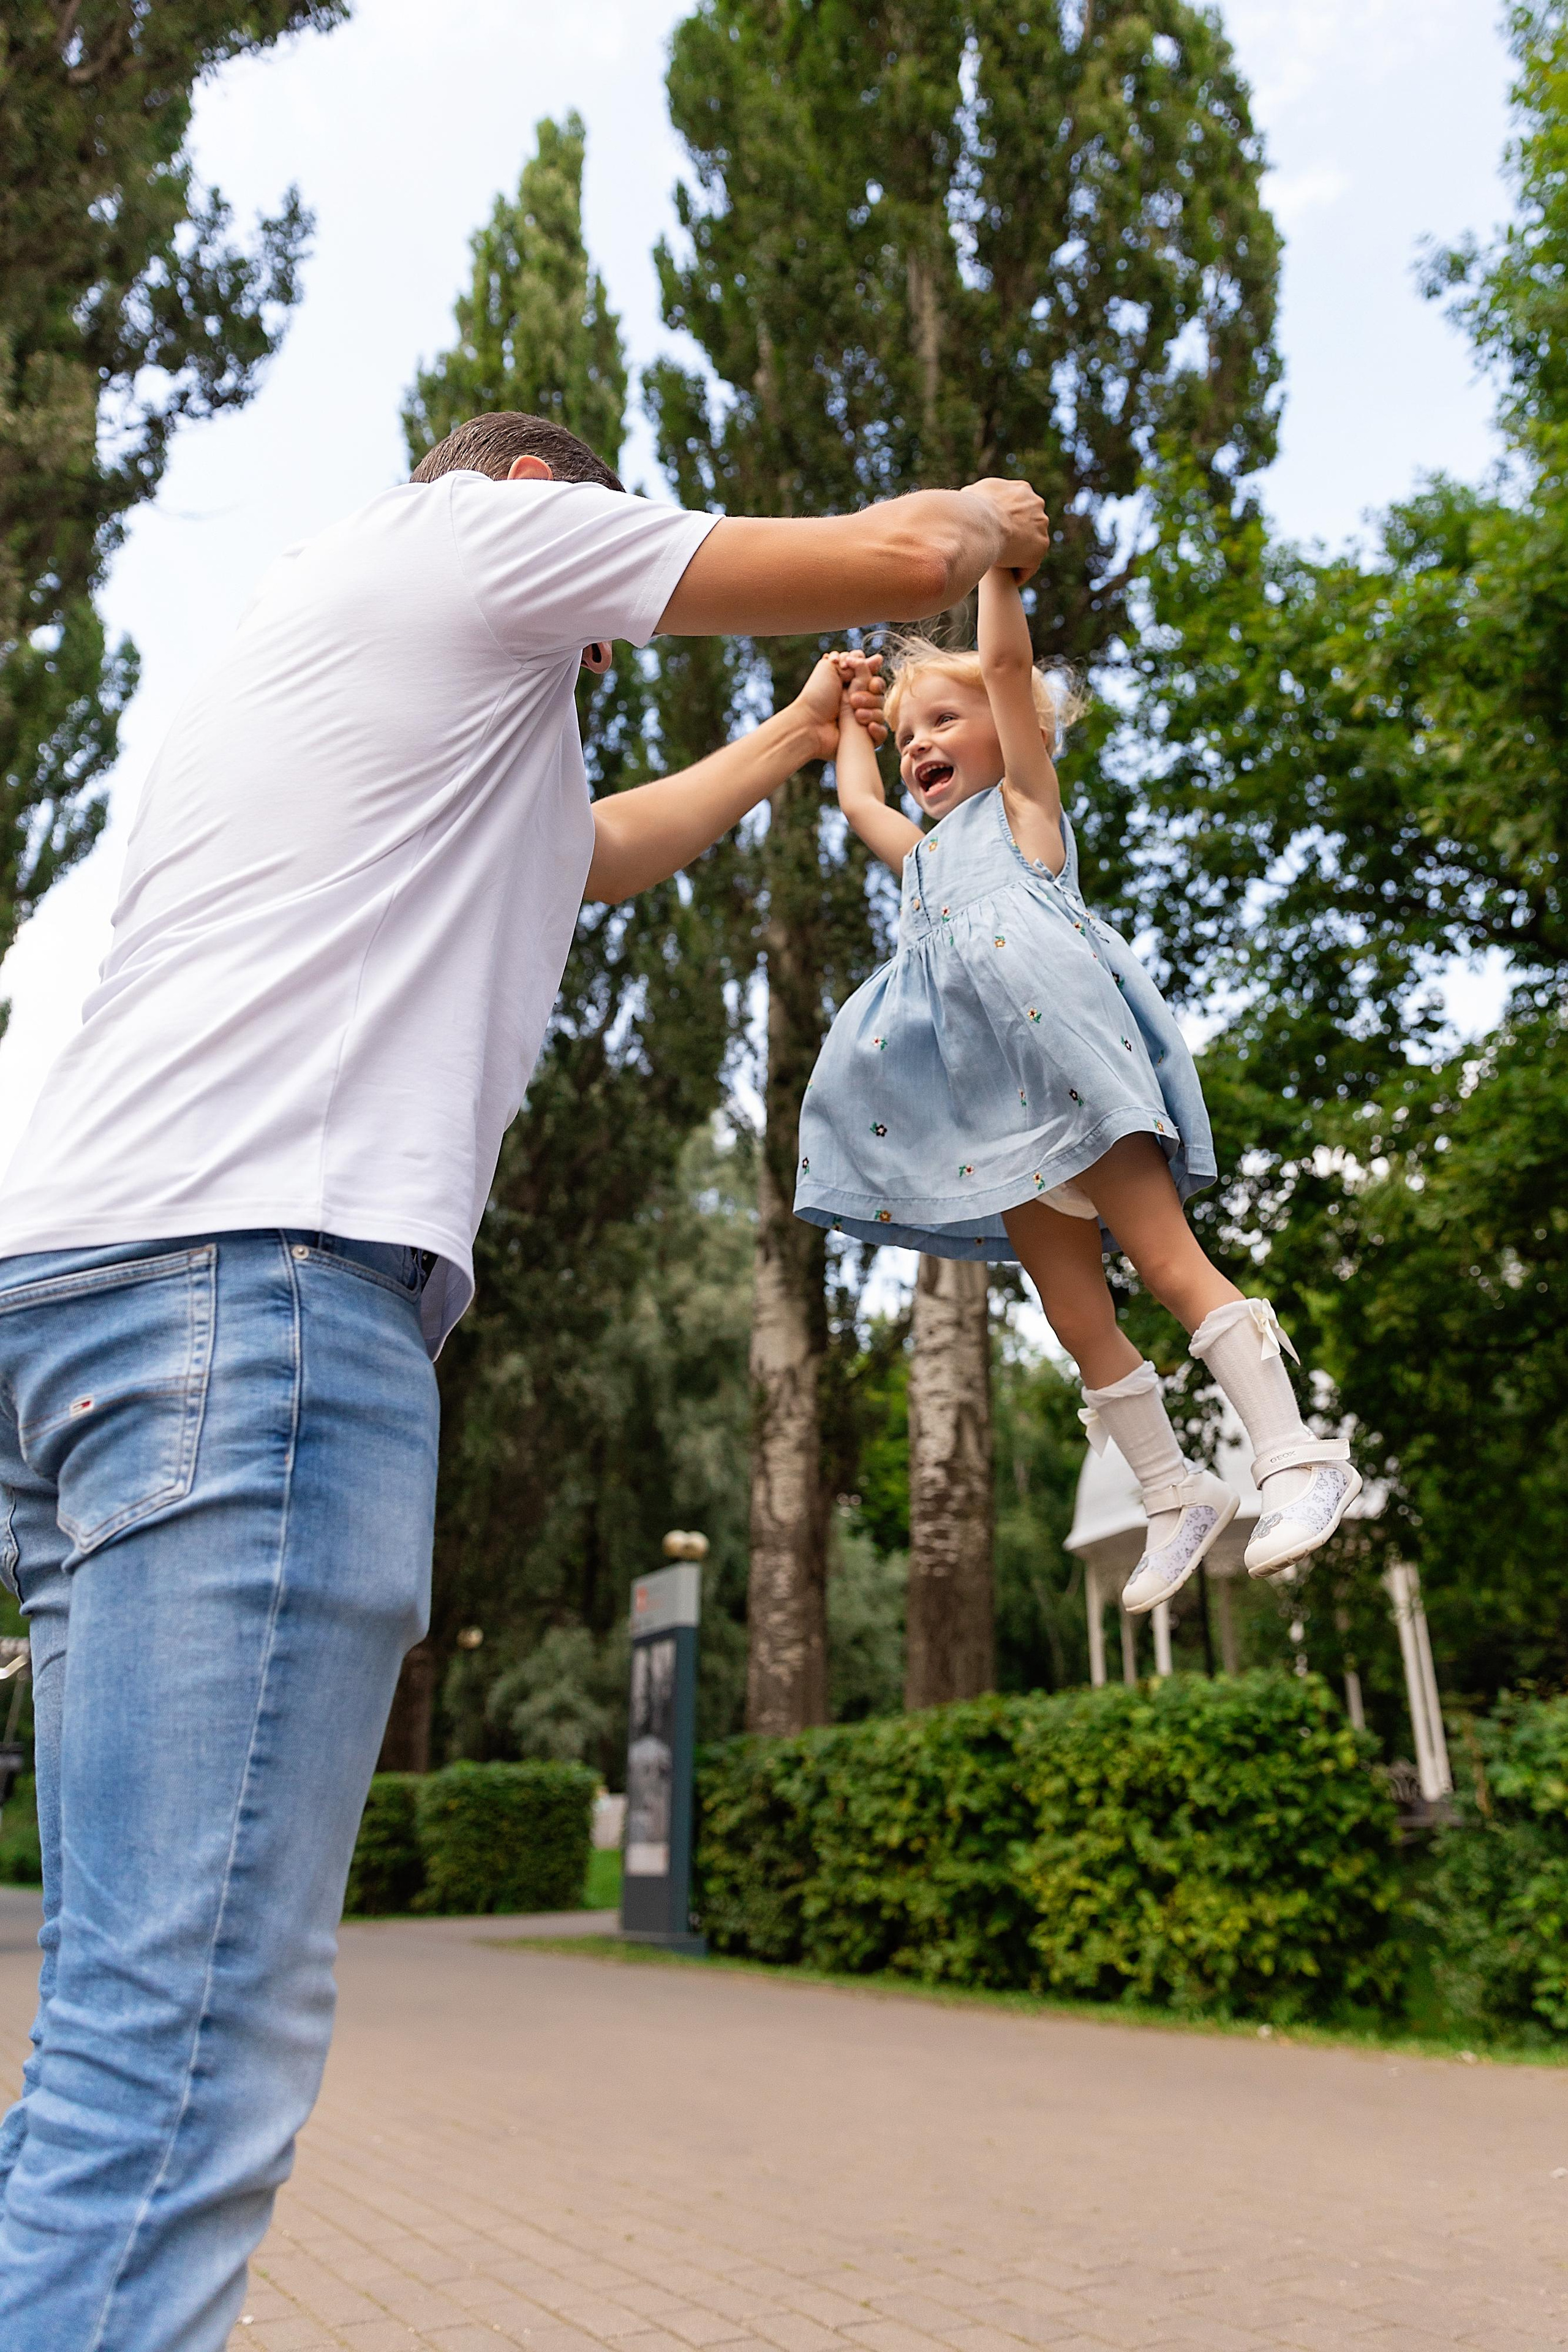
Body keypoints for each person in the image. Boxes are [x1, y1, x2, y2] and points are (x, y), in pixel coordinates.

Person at [0, 409, 1050, 2350]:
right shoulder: (483, 541)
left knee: (114, 2017)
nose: (596, 630)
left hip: (79, 1304)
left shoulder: (321, 652)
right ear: (528, 504)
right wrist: (992, 522)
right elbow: (909, 558)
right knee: (182, 2059)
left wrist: (777, 742)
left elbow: (589, 857)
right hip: (260, 1304)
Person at [794, 567, 1362, 1619]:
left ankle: (1295, 1458)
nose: (921, 745)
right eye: (912, 733)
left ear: (1014, 736)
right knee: (1072, 1311)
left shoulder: (1024, 815)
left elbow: (1007, 665)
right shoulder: (919, 864)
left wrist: (992, 566)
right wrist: (849, 717)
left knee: (1166, 1261)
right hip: (993, 1126)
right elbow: (854, 799)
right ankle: (1173, 1489)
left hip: (1073, 1084)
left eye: (944, 720)